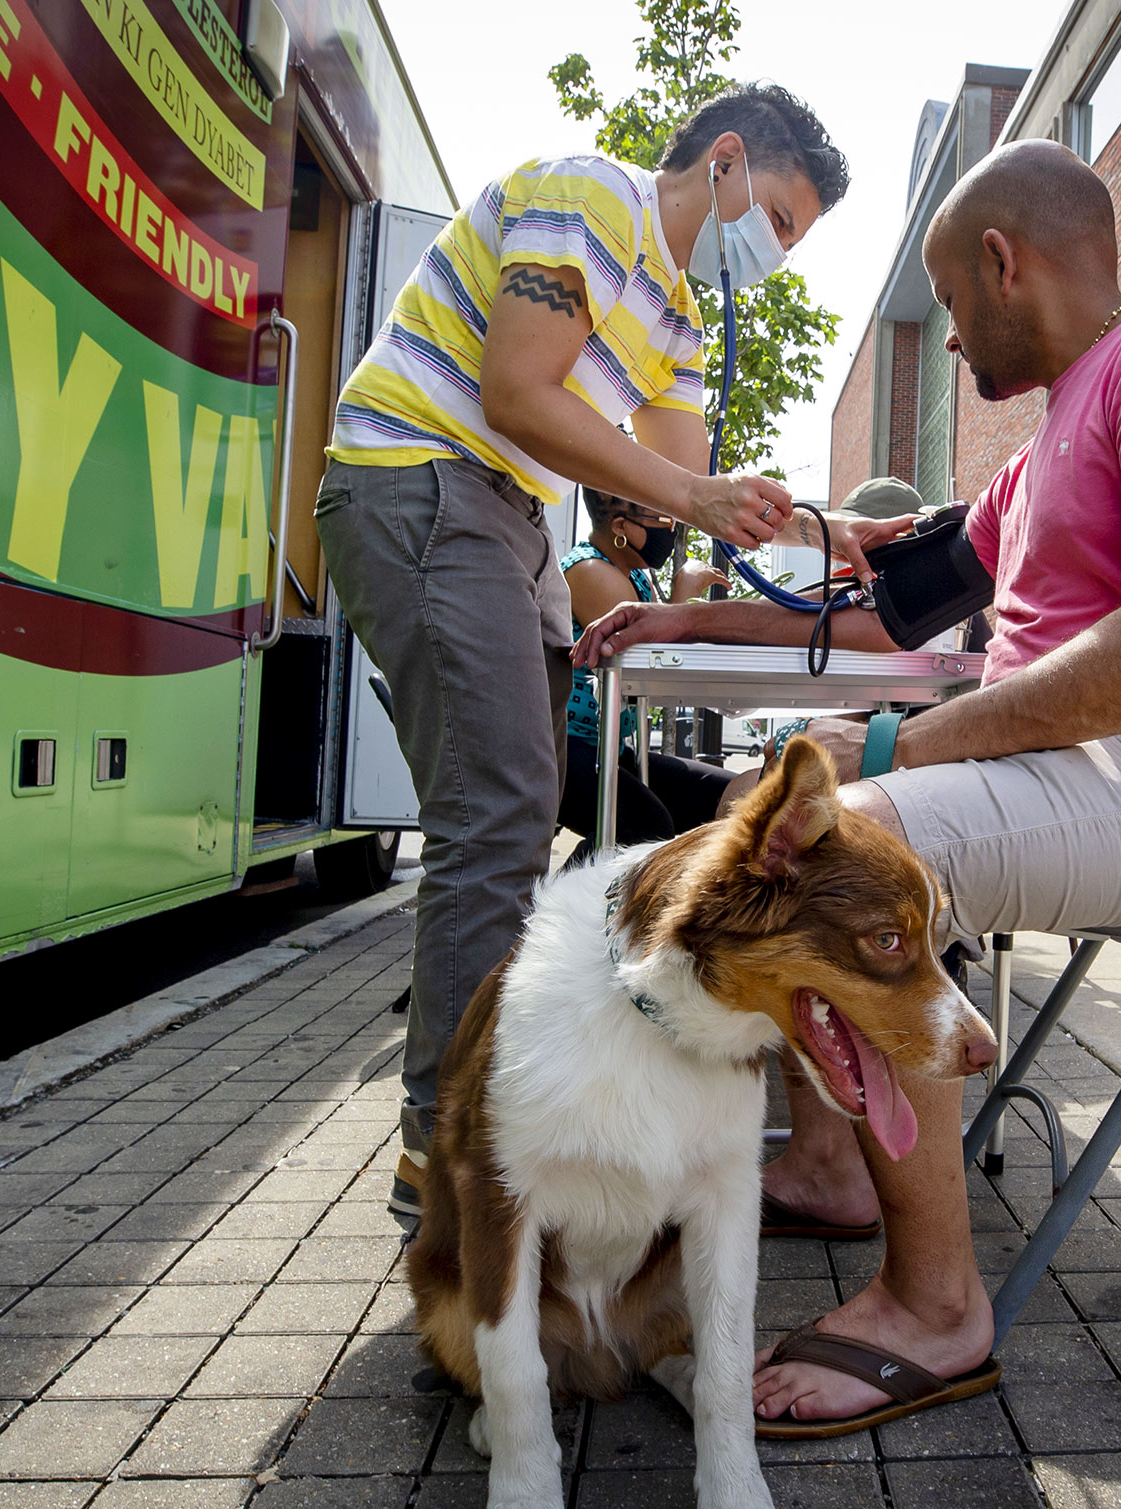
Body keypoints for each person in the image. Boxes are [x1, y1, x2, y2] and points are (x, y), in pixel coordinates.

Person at [573, 139, 1121, 1431]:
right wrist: (676, 621)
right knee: (751, 823)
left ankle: (937, 1305)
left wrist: (917, 747)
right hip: (1089, 770)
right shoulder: (1040, 459)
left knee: (841, 849)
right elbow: (888, 619)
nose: (962, 345)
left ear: (1000, 261)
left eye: (954, 297)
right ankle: (829, 1164)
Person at [316, 84, 875, 1229]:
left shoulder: (678, 317)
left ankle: (501, 1120)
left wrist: (831, 534)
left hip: (504, 515)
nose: (770, 253)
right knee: (499, 816)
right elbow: (516, 390)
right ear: (724, 161)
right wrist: (691, 493)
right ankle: (449, 1156)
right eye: (775, 218)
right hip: (420, 477)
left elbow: (681, 488)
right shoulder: (588, 200)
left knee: (513, 816)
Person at [554, 489, 736, 846]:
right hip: (566, 747)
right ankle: (561, 902)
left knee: (726, 797)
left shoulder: (631, 573)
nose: (670, 531)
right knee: (644, 826)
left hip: (610, 748)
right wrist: (682, 594)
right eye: (663, 521)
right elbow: (648, 661)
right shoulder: (590, 571)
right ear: (621, 527)